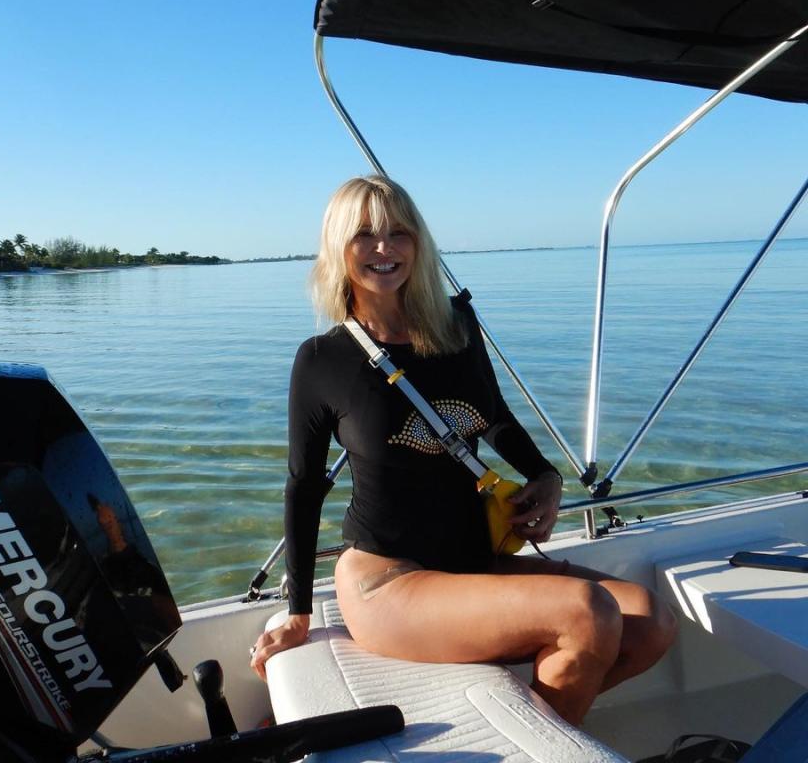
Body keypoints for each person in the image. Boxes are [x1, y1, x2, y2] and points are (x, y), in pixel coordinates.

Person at [250, 175, 676, 725]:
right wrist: (299, 613)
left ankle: (533, 728)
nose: (385, 249)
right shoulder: (321, 360)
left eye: (399, 232)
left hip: (476, 561)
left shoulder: (457, 326)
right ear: (338, 247)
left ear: (419, 242)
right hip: (387, 581)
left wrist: (545, 475)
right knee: (588, 613)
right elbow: (305, 487)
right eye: (364, 235)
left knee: (652, 621)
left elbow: (493, 417)